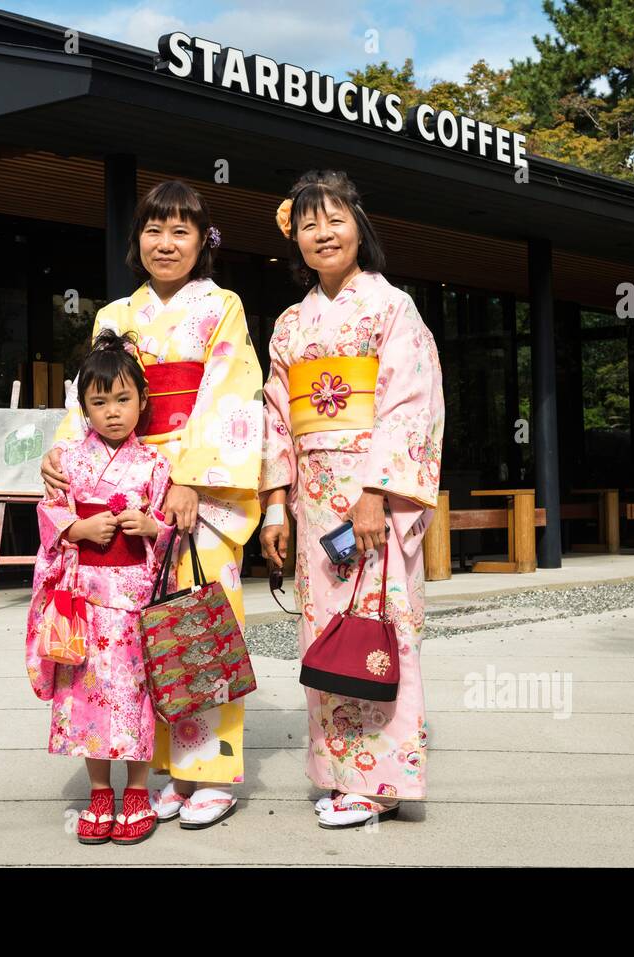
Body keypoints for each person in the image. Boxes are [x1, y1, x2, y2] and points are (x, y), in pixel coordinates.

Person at [42, 180, 262, 829]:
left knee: (200, 619)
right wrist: (61, 451)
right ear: (137, 240)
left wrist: (192, 476)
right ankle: (164, 767)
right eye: (154, 229)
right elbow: (95, 392)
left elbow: (229, 390)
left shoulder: (222, 306)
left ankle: (212, 770)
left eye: (181, 230)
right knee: (144, 636)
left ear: (203, 241)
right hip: (127, 480)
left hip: (192, 488)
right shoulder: (115, 313)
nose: (166, 243)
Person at [259, 169, 445, 829]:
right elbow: (278, 415)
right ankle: (341, 772)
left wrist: (374, 490)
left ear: (359, 226)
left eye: (333, 218)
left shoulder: (393, 307)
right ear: (297, 243)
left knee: (380, 628)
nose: (322, 232)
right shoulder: (289, 323)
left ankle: (384, 780)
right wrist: (276, 501)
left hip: (373, 497)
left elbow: (408, 404)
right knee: (326, 632)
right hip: (313, 503)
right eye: (308, 224)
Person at [25, 328, 177, 846]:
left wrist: (154, 527)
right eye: (99, 402)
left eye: (123, 399)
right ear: (83, 408)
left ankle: (136, 790)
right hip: (84, 596)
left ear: (142, 400)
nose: (112, 411)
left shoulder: (155, 464)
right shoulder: (67, 459)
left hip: (134, 596)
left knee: (135, 694)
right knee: (86, 693)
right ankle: (97, 791)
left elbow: (168, 521)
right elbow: (50, 510)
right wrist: (76, 528)